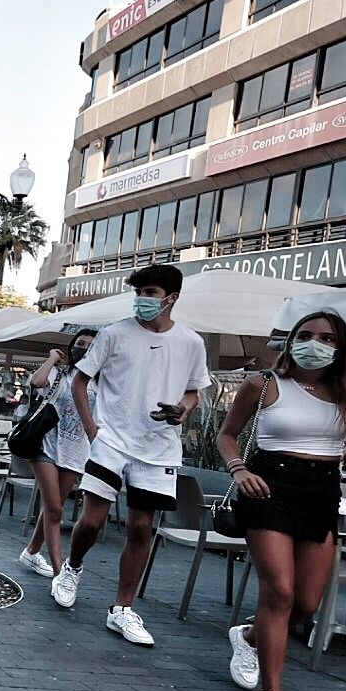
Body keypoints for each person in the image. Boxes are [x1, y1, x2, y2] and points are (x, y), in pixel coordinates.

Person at [216, 311, 346, 691]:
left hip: (322, 490)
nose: (313, 343)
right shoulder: (262, 384)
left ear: (340, 347)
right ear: (290, 340)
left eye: (325, 338)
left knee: (306, 604)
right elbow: (227, 434)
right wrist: (238, 470)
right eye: (304, 335)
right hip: (269, 484)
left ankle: (248, 637)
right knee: (278, 591)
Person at [52, 264, 209, 647]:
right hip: (111, 441)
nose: (142, 299)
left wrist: (182, 410)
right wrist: (92, 428)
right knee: (91, 521)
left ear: (172, 298)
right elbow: (79, 380)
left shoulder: (191, 342)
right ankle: (72, 568)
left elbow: (194, 391)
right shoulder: (114, 333)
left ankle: (122, 608)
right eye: (139, 292)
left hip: (158, 447)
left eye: (151, 292)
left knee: (142, 528)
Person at [16, 330, 97, 578]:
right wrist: (52, 358)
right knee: (54, 509)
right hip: (46, 445)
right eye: (80, 344)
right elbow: (36, 383)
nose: (83, 348)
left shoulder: (101, 382)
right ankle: (59, 570)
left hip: (76, 451)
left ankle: (31, 551)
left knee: (54, 507)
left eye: (90, 346)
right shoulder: (61, 373)